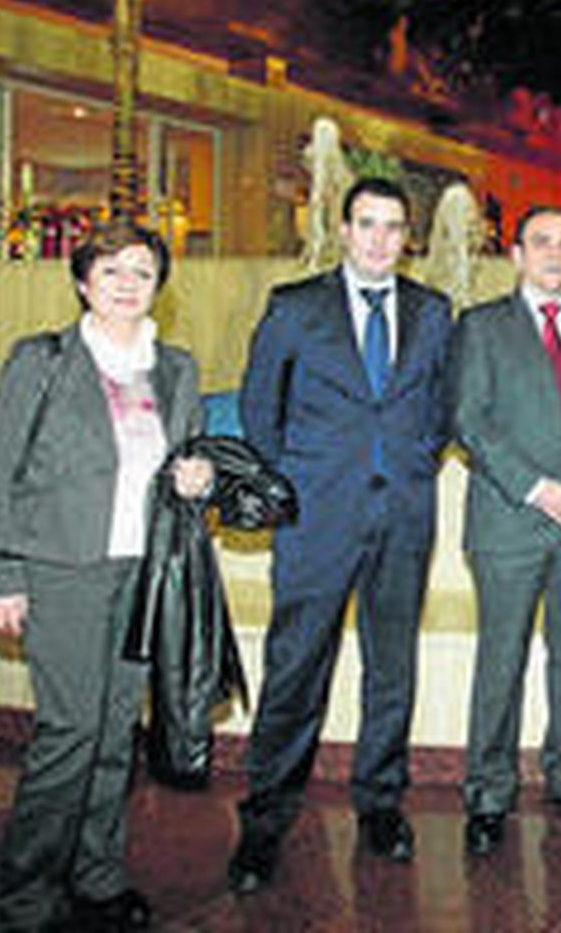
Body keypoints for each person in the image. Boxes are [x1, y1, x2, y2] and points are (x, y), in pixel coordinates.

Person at [0, 221, 212, 932]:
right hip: (62, 569)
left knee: (113, 733)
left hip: (142, 572)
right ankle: (27, 896)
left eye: (142, 270)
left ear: (158, 284)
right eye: (112, 271)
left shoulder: (176, 368)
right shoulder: (40, 359)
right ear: (83, 281)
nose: (128, 283)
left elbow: (183, 464)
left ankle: (98, 876)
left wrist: (197, 479)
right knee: (69, 730)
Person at [228, 177, 452, 893]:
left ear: (407, 235)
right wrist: (302, 478)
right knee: (296, 664)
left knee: (393, 665)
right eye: (367, 224)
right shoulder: (295, 308)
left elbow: (440, 411)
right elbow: (260, 409)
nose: (380, 238)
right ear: (344, 228)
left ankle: (381, 803)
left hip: (405, 517)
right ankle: (265, 818)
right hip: (317, 516)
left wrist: (410, 463)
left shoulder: (433, 310)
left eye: (393, 226)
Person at [448, 207, 561, 855]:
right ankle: (489, 792)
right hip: (510, 521)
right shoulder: (480, 327)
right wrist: (537, 488)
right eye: (541, 243)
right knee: (502, 657)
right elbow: (470, 420)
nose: (555, 254)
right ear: (517, 254)